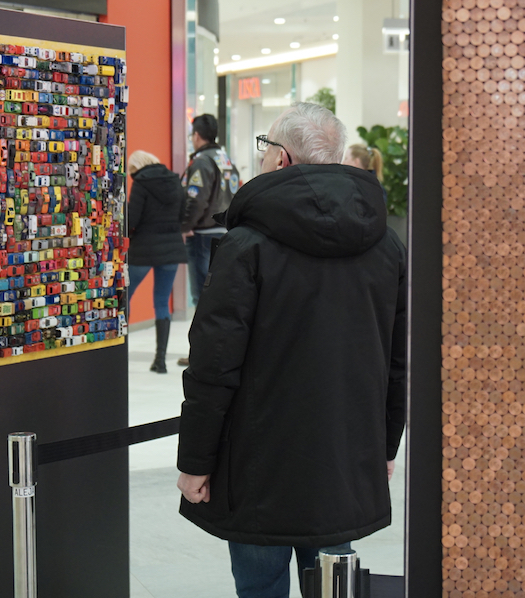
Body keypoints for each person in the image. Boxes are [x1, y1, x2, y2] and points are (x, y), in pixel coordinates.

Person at [176, 103, 407, 598]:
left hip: (261, 465)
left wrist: (196, 460)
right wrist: (385, 443)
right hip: (344, 456)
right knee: (334, 581)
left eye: (264, 147)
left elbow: (213, 366)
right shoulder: (385, 245)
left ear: (280, 159)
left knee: (260, 585)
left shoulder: (246, 246)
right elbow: (395, 360)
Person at [177, 113, 240, 367]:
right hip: (224, 233)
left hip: (202, 236)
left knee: (201, 297)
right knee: (217, 296)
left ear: (197, 135)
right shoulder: (225, 160)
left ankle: (199, 355)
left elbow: (196, 199)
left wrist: (185, 225)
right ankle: (214, 352)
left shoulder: (202, 162)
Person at [125, 150, 188, 374]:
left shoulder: (141, 183)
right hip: (171, 249)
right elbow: (183, 214)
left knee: (125, 294)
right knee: (162, 302)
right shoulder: (175, 180)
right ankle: (160, 360)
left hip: (143, 249)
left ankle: (121, 351)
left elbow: (132, 219)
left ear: (136, 168)